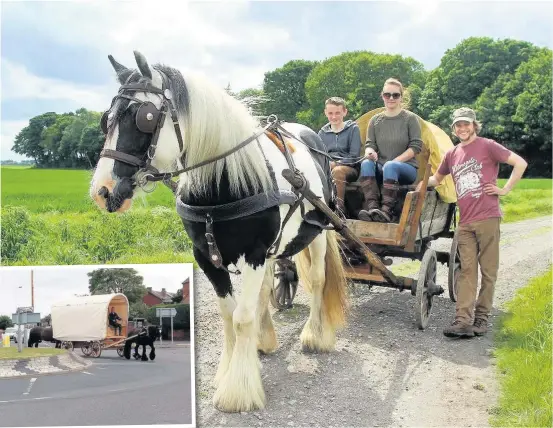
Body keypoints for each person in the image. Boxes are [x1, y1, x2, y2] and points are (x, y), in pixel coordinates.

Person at [420, 107, 527, 338]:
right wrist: (416, 184)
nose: (462, 128)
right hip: (465, 222)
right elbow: (436, 179)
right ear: (454, 128)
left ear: (474, 125)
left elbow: (520, 163)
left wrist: (504, 189)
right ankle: (463, 321)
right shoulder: (452, 154)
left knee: (488, 272)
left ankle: (481, 319)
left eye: (466, 124)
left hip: (488, 217)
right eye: (458, 125)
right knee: (467, 271)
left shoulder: (488, 146)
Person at [357, 78, 423, 223]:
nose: (391, 98)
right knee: (366, 163)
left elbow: (415, 147)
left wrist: (393, 162)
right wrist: (370, 152)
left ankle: (386, 211)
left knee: (390, 166)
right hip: (382, 168)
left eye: (395, 95)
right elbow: (370, 144)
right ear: (382, 96)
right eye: (387, 95)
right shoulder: (375, 121)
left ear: (401, 97)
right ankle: (372, 208)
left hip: (406, 169)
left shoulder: (410, 119)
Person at [318, 97, 361, 213]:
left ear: (344, 112)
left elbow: (354, 156)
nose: (334, 117)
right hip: (327, 167)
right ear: (325, 113)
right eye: (330, 113)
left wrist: (335, 164)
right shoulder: (322, 133)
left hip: (350, 169)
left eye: (337, 113)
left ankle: (339, 208)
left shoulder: (353, 129)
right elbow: (319, 156)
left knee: (337, 171)